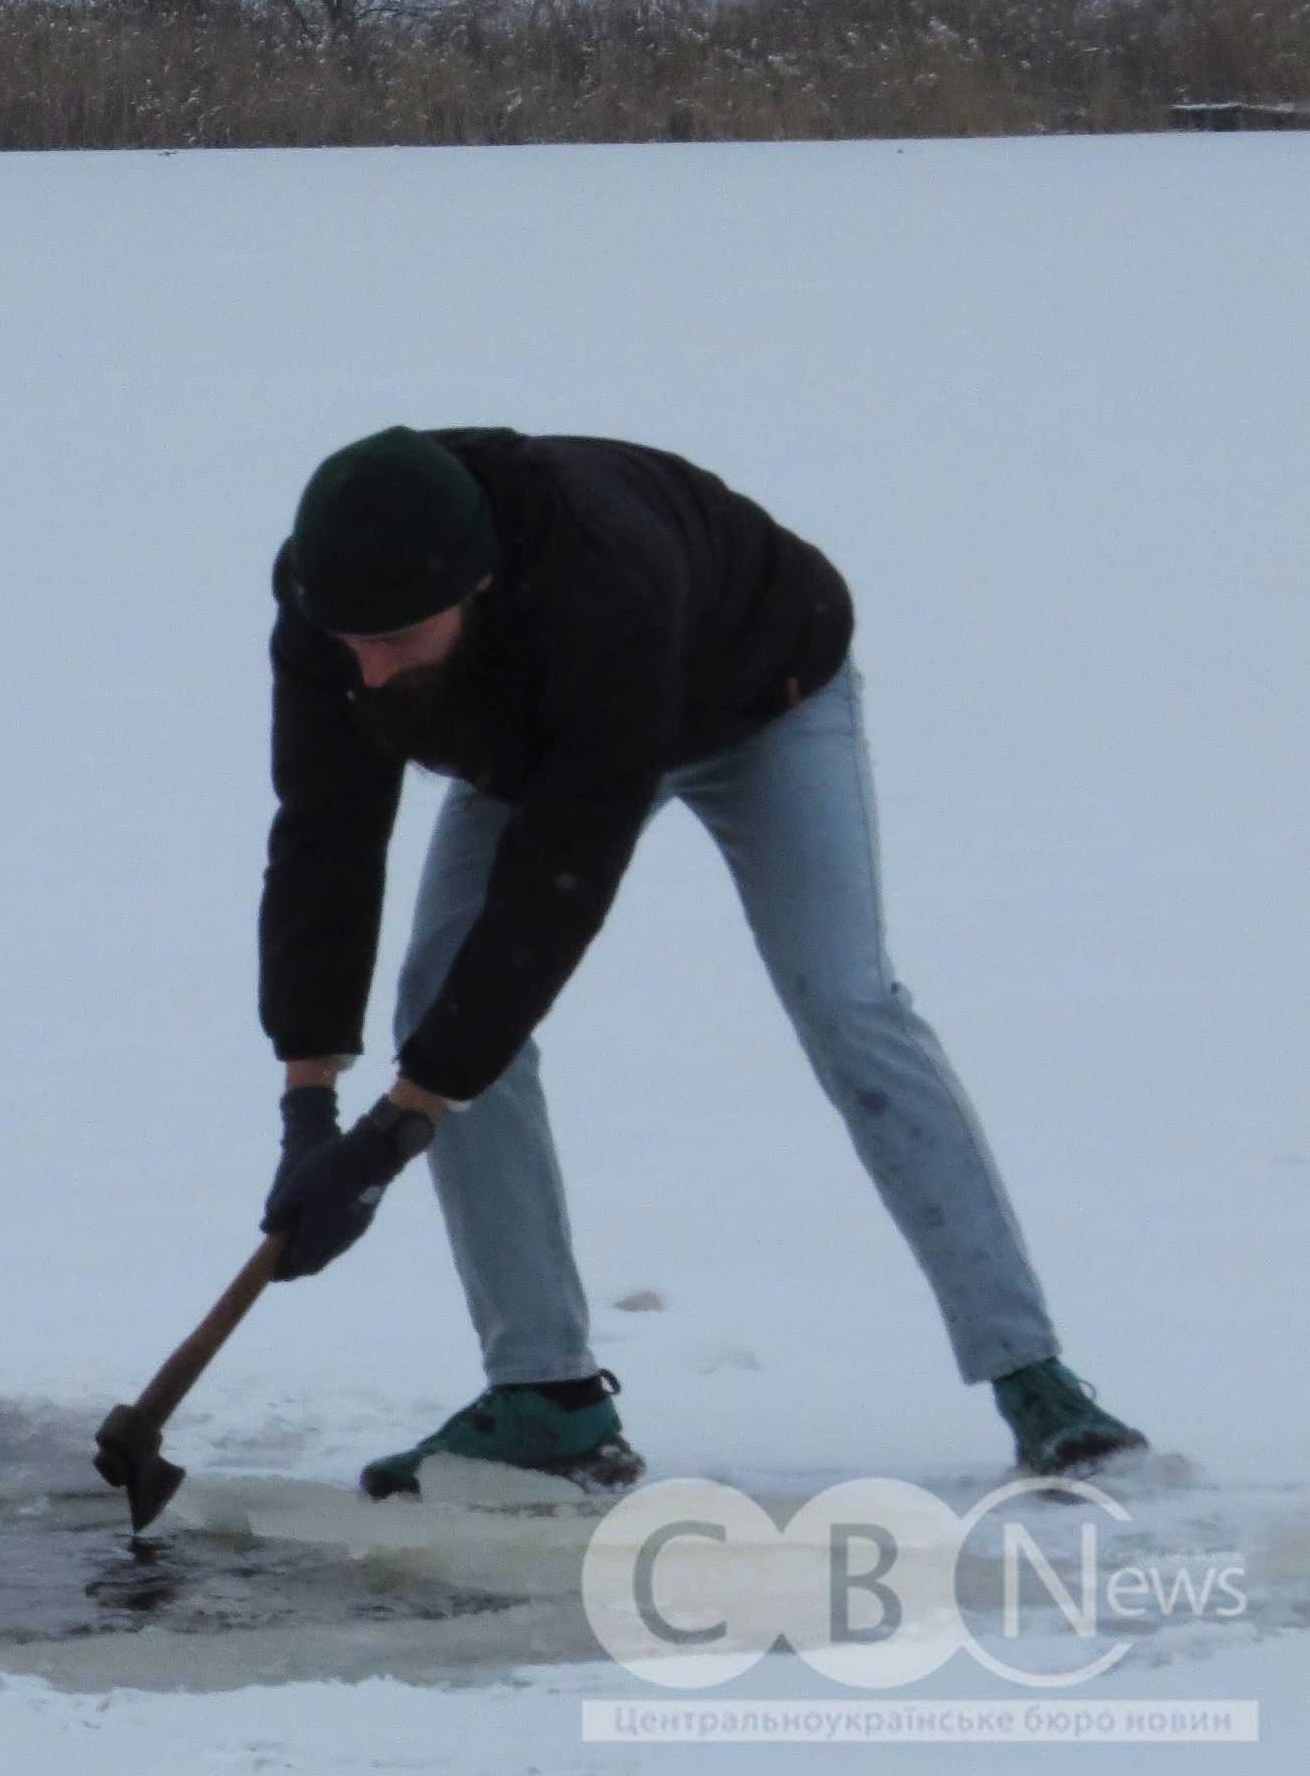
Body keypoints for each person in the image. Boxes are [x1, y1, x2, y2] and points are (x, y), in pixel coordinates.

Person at [254, 425, 1147, 1496]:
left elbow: (555, 889)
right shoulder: (330, 593)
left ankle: (1032, 1375)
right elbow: (325, 834)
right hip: (538, 733)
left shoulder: (601, 581)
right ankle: (546, 1400)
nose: (369, 670)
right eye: (351, 642)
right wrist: (308, 1106)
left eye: (397, 639)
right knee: (436, 1001)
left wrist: (392, 1133)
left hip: (763, 697)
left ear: (477, 584)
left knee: (847, 1002)